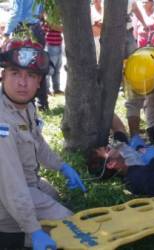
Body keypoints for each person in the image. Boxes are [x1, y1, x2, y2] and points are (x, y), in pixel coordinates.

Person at [0, 39, 86, 249]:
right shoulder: (2, 123)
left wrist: (62, 166)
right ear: (2, 76)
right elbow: (11, 186)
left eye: (30, 75)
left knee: (54, 196)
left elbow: (39, 143)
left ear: (39, 82)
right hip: (6, 193)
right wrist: (34, 230)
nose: (23, 82)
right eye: (15, 73)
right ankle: (23, 237)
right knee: (71, 226)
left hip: (25, 184)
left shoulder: (24, 107)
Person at [2, 0, 49, 111]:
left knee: (19, 67)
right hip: (37, 29)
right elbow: (41, 10)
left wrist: (6, 34)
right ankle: (42, 103)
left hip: (23, 29)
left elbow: (16, 13)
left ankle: (25, 102)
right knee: (38, 68)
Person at [42, 17, 64, 95]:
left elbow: (61, 28)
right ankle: (47, 90)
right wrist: (56, 26)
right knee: (50, 70)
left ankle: (56, 89)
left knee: (57, 69)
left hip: (59, 44)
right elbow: (45, 29)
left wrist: (56, 26)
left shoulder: (56, 19)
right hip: (51, 46)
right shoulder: (48, 19)